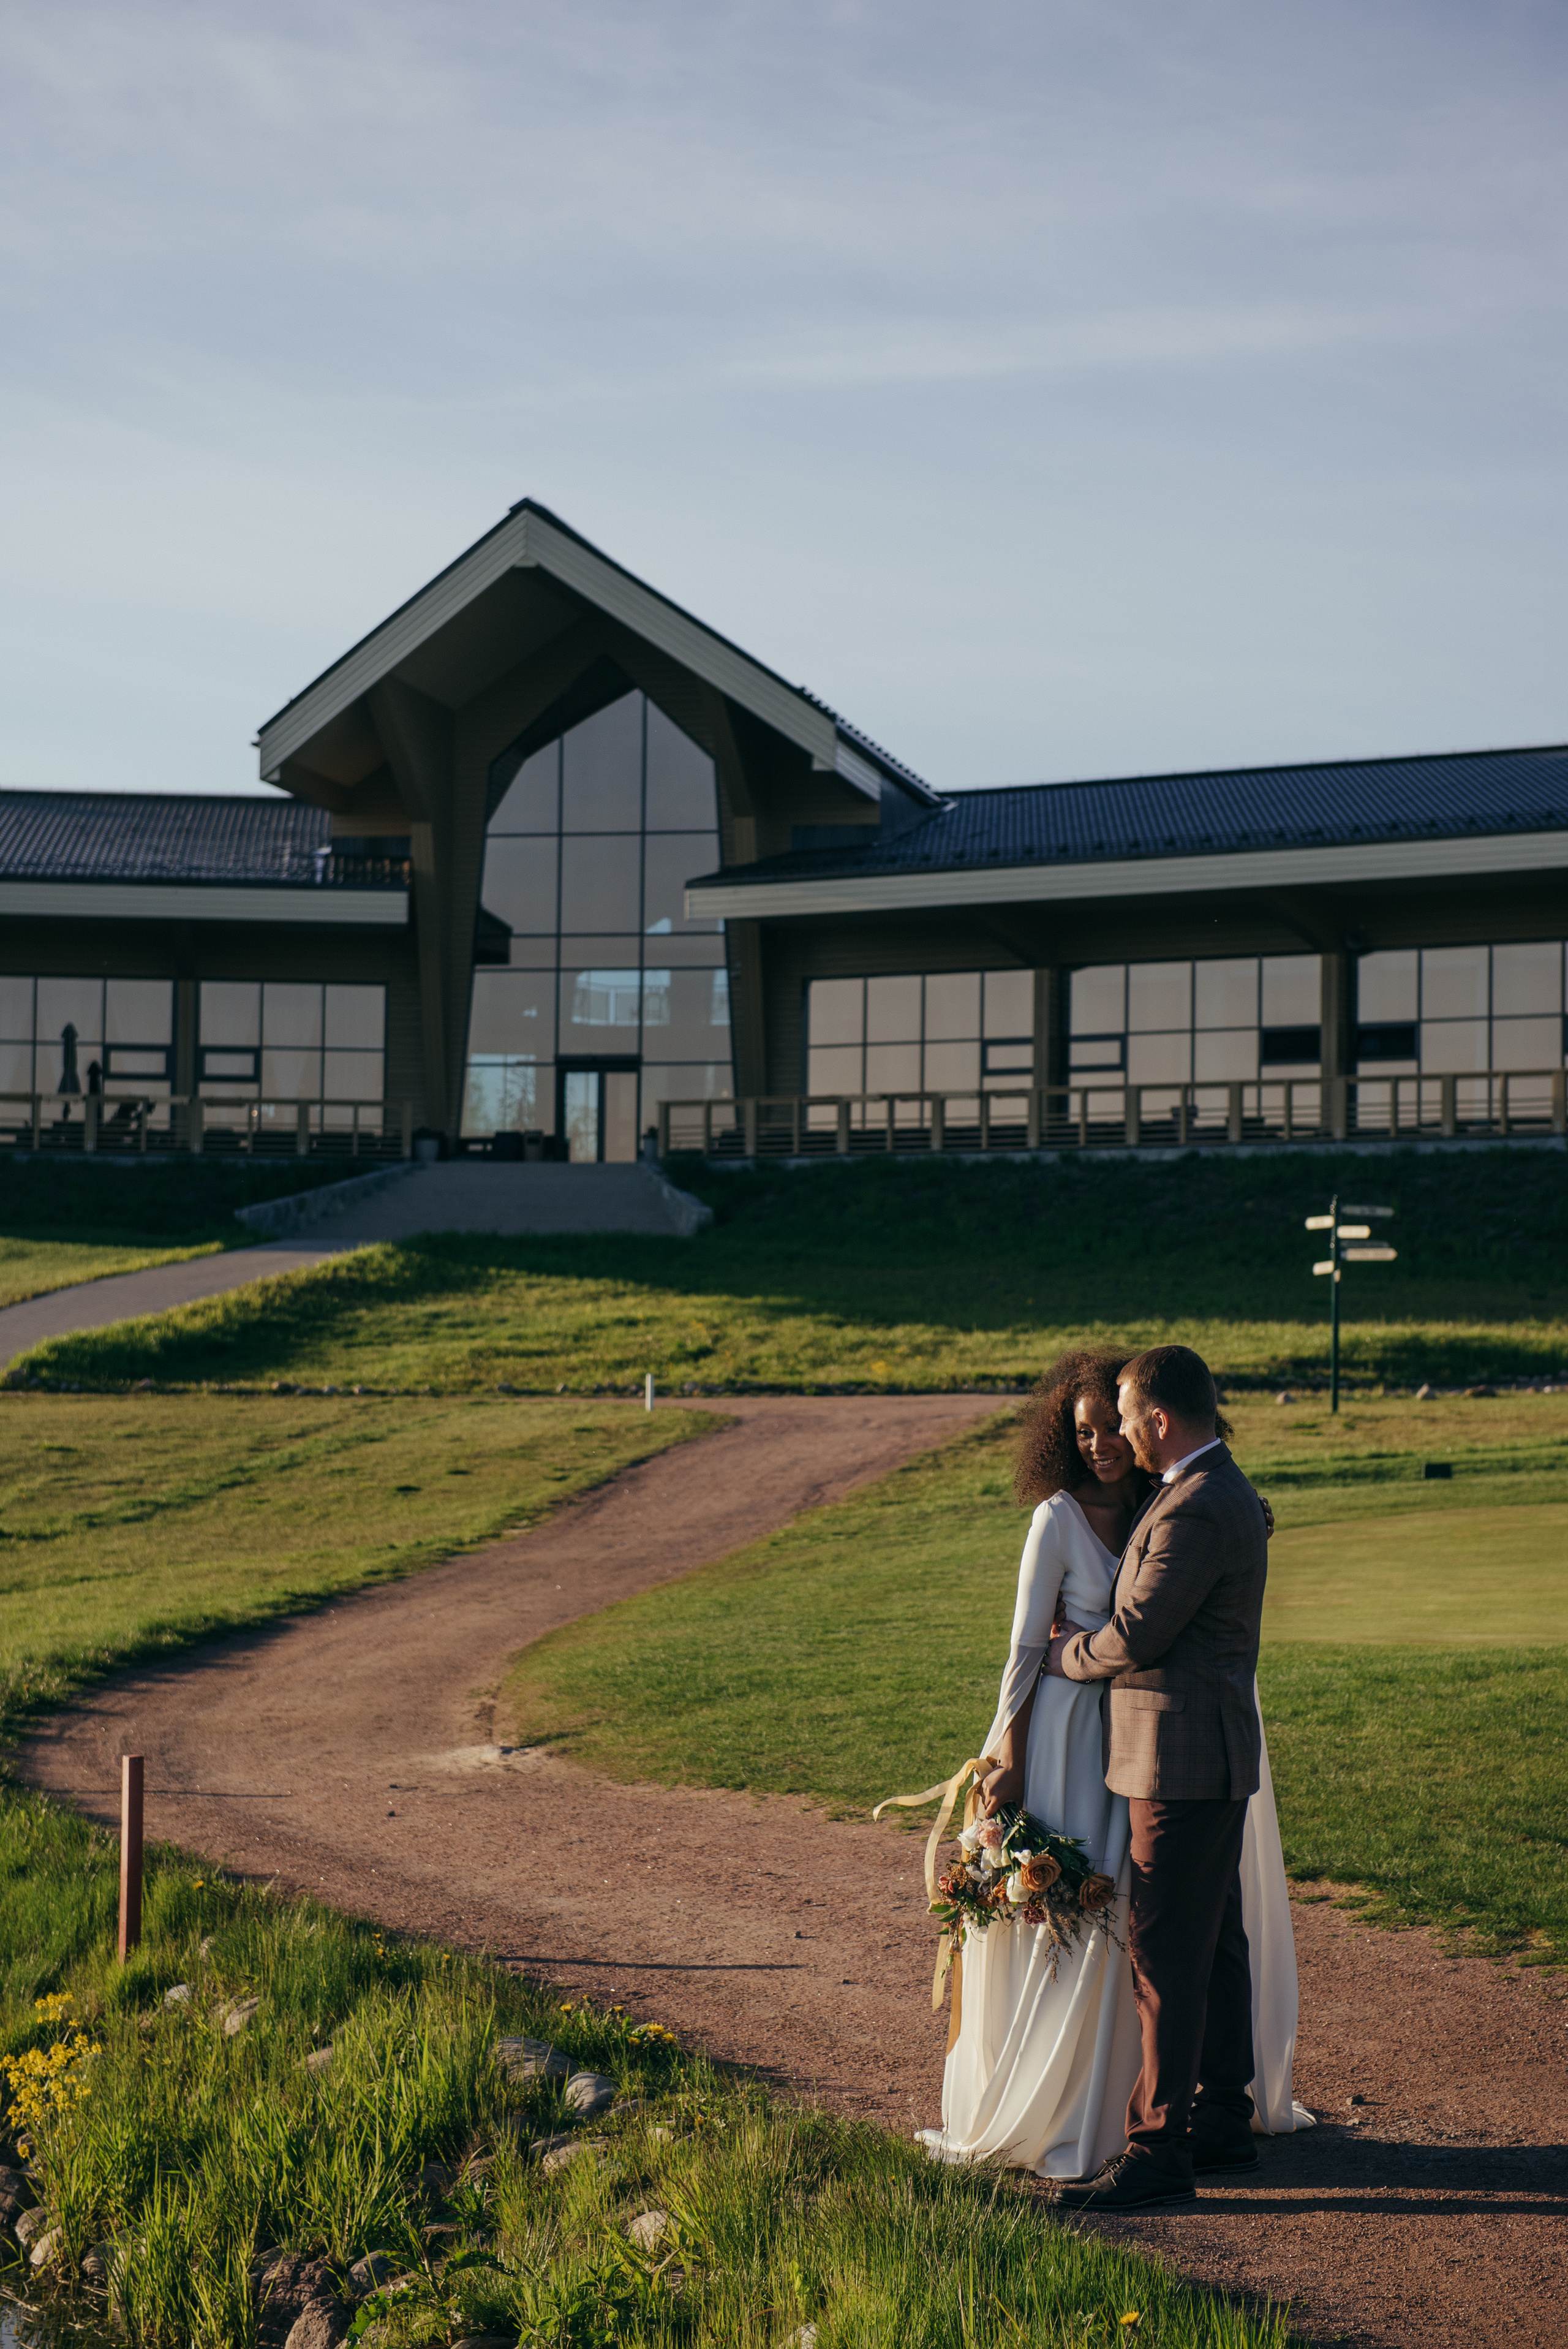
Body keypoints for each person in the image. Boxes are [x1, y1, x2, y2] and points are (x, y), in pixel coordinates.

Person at [919, 1346, 1309, 2192]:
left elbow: (1136, 1634)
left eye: (1124, 1419)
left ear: (1157, 1421)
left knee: (1164, 1949)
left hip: (1175, 1755)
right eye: (1094, 1427)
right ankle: (1224, 2119)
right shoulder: (1195, 1493)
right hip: (1174, 1748)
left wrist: (1069, 1653)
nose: (1115, 1436)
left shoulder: (1191, 1505)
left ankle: (1159, 2148)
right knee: (1216, 1938)